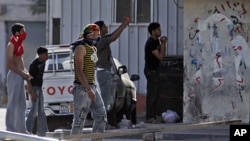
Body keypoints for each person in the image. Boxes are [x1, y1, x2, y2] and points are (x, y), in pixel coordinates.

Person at [70, 23, 107, 140]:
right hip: (83, 88)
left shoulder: (93, 48)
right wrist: (88, 89)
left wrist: (93, 87)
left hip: (92, 86)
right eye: (97, 34)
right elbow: (79, 71)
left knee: (101, 115)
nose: (99, 37)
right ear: (90, 35)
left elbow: (91, 69)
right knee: (79, 120)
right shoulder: (80, 48)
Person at [94, 17, 130, 127]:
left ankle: (102, 123)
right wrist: (123, 25)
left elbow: (112, 35)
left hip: (103, 72)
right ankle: (101, 124)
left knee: (105, 99)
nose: (107, 27)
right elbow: (113, 37)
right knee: (104, 100)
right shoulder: (99, 40)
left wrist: (122, 25)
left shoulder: (102, 38)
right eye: (104, 26)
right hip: (103, 73)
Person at [6, 23, 33, 134]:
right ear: (17, 32)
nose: (24, 33)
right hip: (14, 75)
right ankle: (10, 128)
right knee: (13, 102)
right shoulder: (11, 44)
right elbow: (10, 64)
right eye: (23, 31)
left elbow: (20, 60)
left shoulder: (19, 43)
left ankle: (21, 129)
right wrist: (21, 73)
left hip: (21, 75)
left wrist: (26, 73)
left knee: (22, 103)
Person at [144, 22, 167, 123]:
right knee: (152, 93)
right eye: (158, 30)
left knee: (156, 93)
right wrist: (163, 44)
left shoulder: (156, 41)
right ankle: (150, 117)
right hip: (151, 70)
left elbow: (162, 53)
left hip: (155, 69)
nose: (160, 31)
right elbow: (160, 57)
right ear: (153, 32)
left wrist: (163, 44)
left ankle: (154, 115)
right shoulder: (151, 43)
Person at [26, 47, 49, 136]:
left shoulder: (43, 62)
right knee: (34, 110)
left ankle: (43, 131)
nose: (47, 56)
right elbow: (28, 78)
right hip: (34, 88)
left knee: (41, 111)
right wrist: (32, 93)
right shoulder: (34, 65)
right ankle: (27, 130)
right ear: (40, 55)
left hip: (39, 88)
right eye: (45, 54)